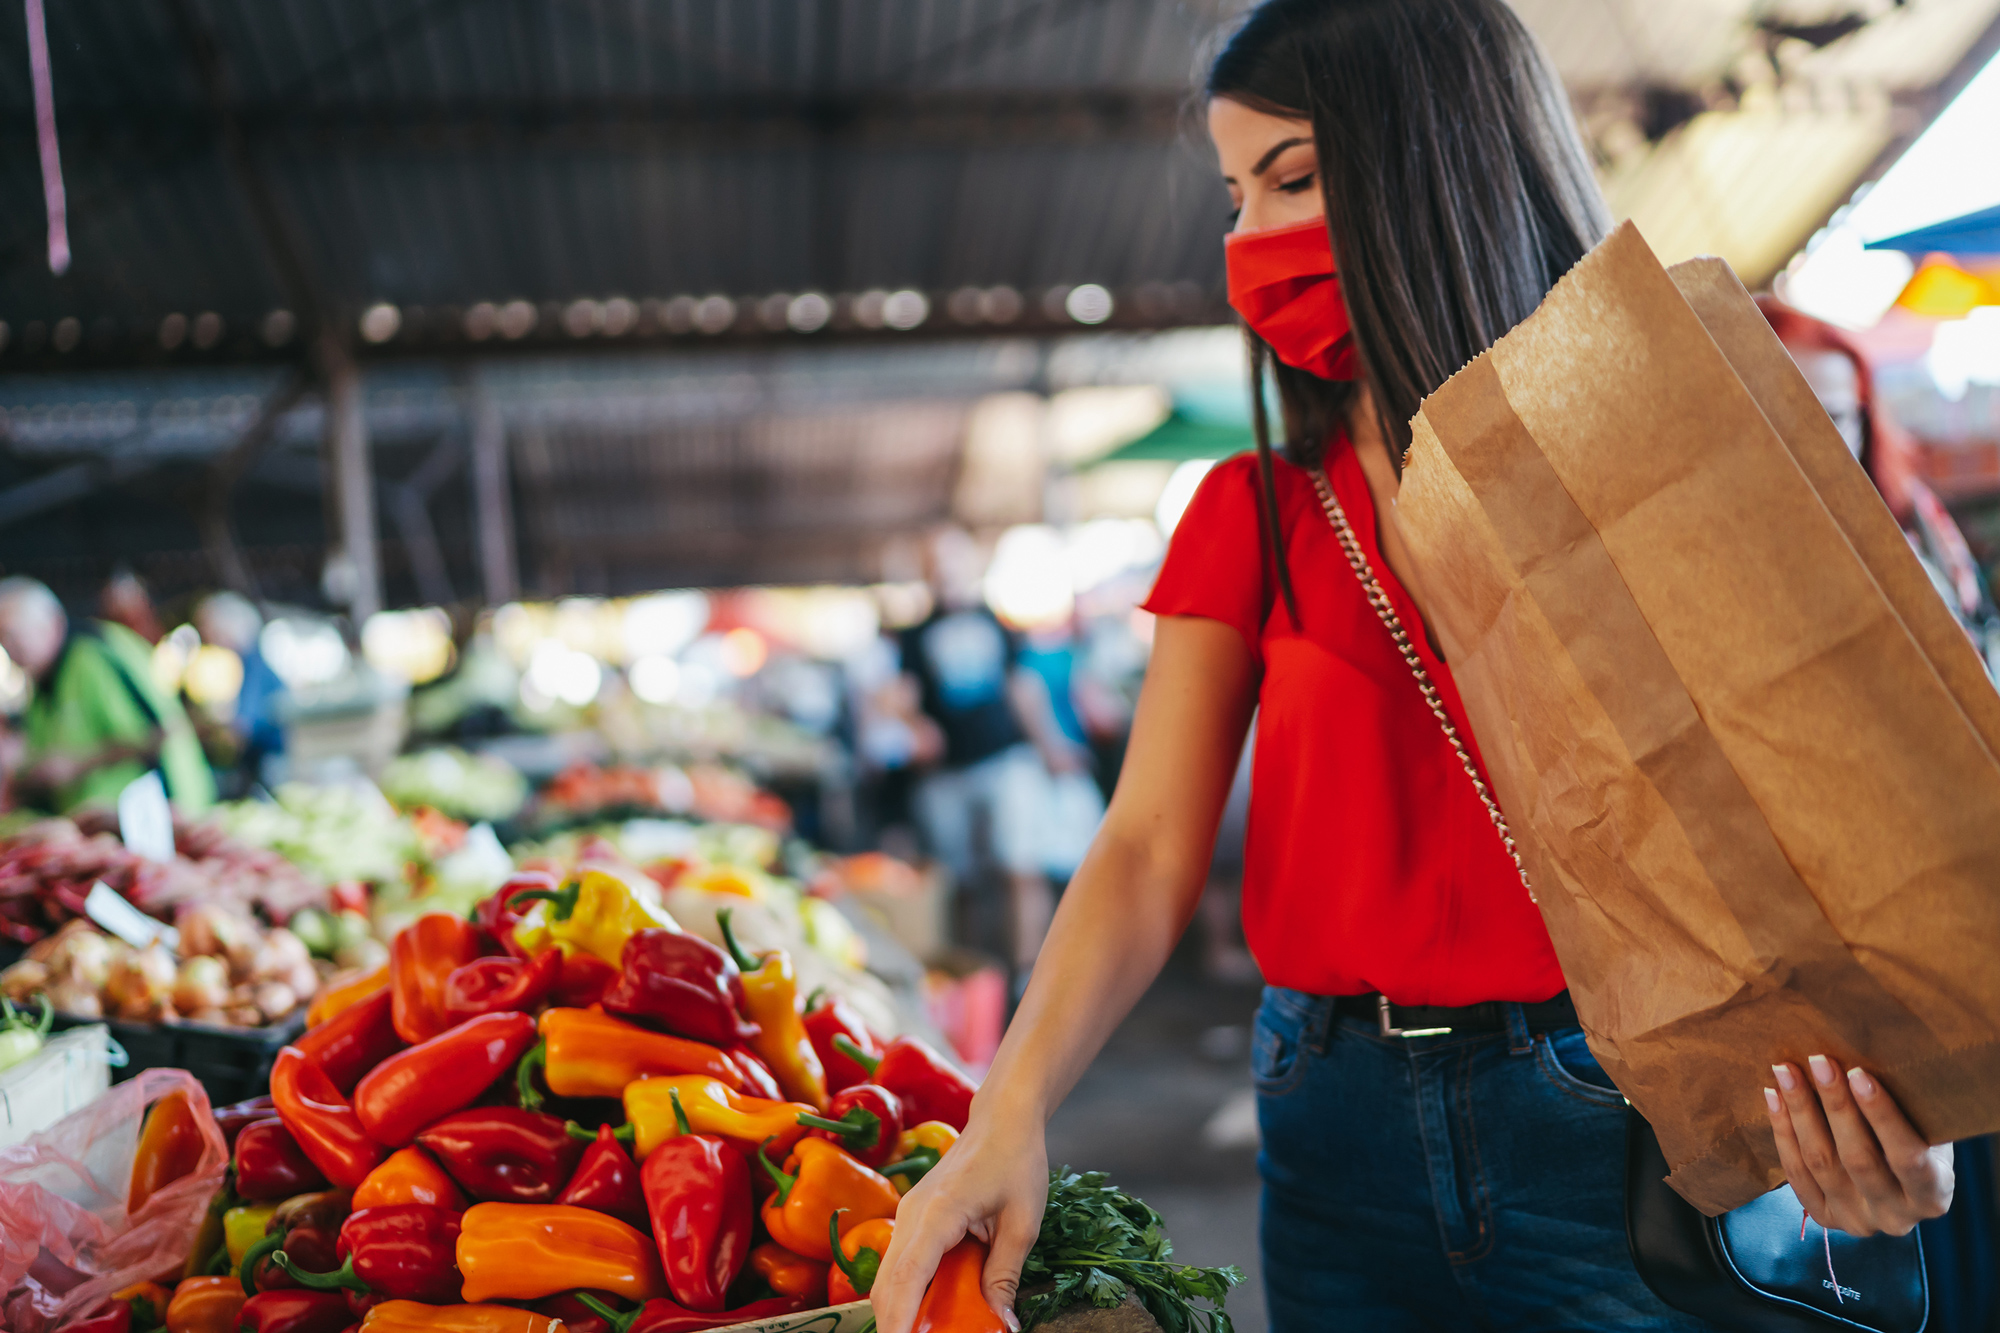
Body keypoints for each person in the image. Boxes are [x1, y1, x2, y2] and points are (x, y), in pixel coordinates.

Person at [871, 5, 1955, 1332]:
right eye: (1232, 194)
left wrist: (1912, 1096)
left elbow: (1841, 817)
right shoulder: (1255, 510)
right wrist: (1011, 1108)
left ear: (1430, 164)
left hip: (1621, 1113)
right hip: (1328, 1121)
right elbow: (1148, 844)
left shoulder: (1669, 471)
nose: (1247, 243)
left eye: (1293, 179)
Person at [901, 529, 1087, 975]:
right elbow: (900, 695)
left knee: (1022, 865)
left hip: (1007, 759)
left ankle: (1029, 973)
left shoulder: (997, 624)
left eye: (953, 560)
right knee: (958, 880)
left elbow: (1023, 689)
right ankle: (972, 973)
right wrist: (917, 725)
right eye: (936, 561)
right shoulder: (912, 637)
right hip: (947, 773)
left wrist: (1051, 746)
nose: (945, 570)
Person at [0, 577, 215, 815]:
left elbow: (161, 732)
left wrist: (77, 765)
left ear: (50, 624)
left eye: (13, 636)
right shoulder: (41, 681)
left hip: (158, 817)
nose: (9, 650)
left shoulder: (92, 656)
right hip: (100, 827)